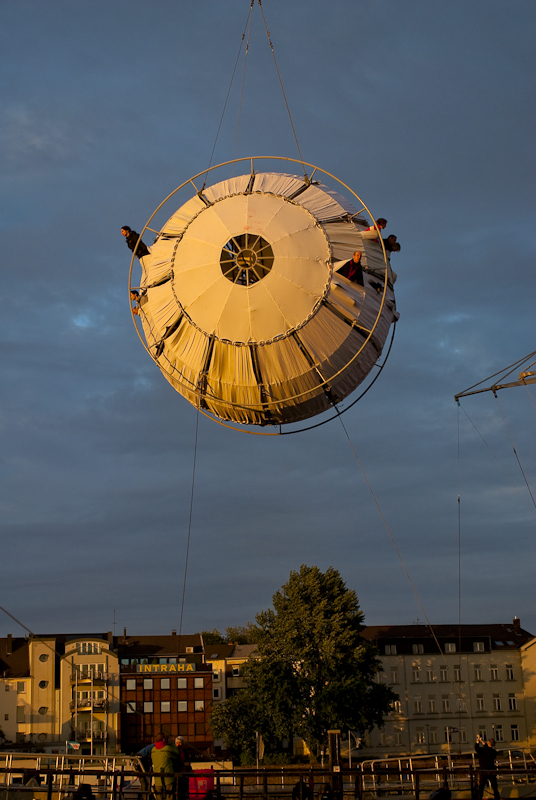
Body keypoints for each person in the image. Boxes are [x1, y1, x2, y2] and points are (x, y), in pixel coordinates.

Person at [151, 733, 182, 800]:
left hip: (157, 779)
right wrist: (172, 744)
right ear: (164, 739)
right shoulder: (167, 748)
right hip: (168, 778)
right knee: (170, 796)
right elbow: (177, 753)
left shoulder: (153, 750)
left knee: (159, 796)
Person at [475, 735, 500, 800]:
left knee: (484, 786)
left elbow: (487, 750)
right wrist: (478, 741)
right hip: (489, 771)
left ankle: (480, 798)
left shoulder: (491, 751)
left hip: (486, 771)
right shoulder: (489, 751)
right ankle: (496, 798)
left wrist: (481, 741)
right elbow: (477, 749)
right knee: (491, 786)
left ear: (489, 743)